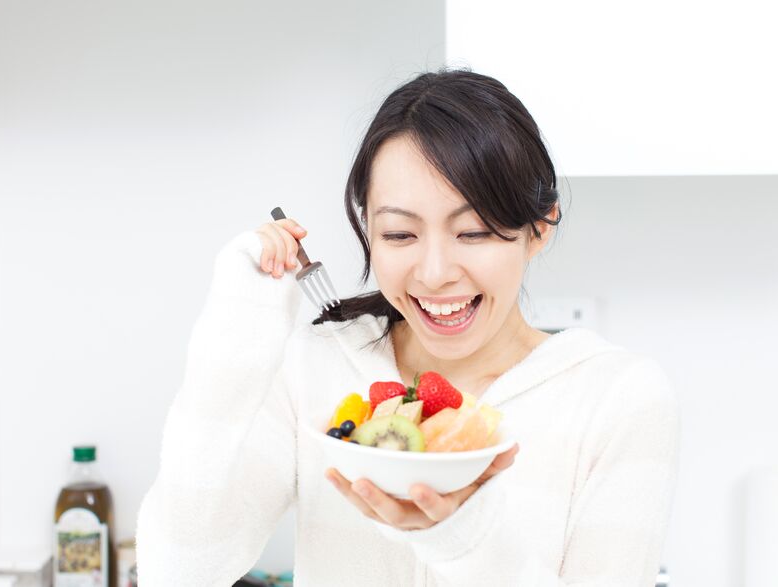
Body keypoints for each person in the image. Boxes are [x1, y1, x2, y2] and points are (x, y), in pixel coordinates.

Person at [135, 67, 681, 586]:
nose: (435, 273)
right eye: (399, 235)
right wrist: (234, 341)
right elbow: (180, 573)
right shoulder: (314, 365)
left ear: (539, 228)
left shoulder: (617, 399)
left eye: (473, 233)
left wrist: (461, 536)